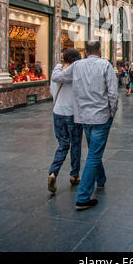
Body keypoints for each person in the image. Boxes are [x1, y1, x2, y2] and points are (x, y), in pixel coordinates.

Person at [52, 41, 118, 211]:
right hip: (101, 117)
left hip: (82, 117)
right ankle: (82, 198)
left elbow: (57, 78)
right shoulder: (106, 65)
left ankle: (101, 180)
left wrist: (59, 64)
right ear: (99, 50)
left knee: (94, 150)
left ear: (86, 51)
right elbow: (112, 93)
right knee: (94, 154)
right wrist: (112, 113)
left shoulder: (77, 66)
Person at [48, 48, 83, 194]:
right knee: (75, 145)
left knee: (62, 144)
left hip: (58, 112)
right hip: (73, 114)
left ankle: (53, 173)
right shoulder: (76, 73)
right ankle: (74, 176)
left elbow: (52, 90)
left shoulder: (56, 71)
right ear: (76, 60)